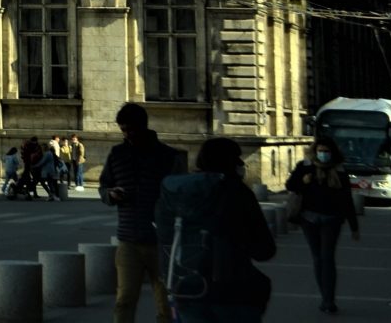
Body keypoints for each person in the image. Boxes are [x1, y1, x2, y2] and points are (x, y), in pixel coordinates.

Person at [155, 137, 275, 322]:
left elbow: (164, 235)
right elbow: (264, 250)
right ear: (231, 162)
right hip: (233, 292)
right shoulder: (237, 192)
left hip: (186, 288)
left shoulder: (176, 193)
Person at [100, 101, 186, 323]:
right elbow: (104, 185)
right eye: (123, 129)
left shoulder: (168, 156)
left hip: (162, 241)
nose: (127, 134)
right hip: (129, 239)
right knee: (124, 299)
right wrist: (110, 194)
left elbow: (181, 196)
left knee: (165, 302)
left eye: (131, 129)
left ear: (143, 126)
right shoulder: (117, 154)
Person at [287, 136, 360, 314]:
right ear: (315, 150)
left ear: (332, 153)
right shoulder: (305, 167)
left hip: (332, 219)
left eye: (326, 151)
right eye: (320, 151)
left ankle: (329, 300)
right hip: (309, 218)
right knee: (318, 258)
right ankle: (324, 297)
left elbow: (347, 199)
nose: (323, 154)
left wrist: (354, 226)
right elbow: (290, 185)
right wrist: (303, 182)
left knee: (327, 258)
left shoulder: (340, 170)